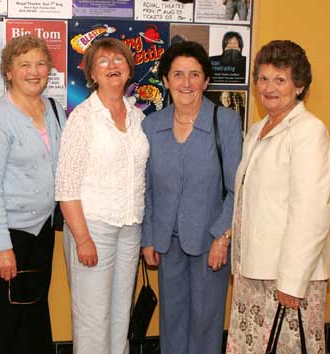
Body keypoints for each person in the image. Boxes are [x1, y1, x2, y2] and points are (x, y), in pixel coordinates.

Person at [226, 40, 330, 354]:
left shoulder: (309, 132)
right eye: (263, 78)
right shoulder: (258, 130)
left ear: (299, 86)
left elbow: (311, 211)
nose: (269, 87)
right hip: (254, 271)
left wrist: (292, 281)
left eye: (280, 79)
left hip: (286, 278)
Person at [141, 41, 242, 354]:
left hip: (209, 243)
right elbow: (144, 189)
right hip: (167, 244)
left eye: (194, 74)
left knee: (205, 321)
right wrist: (148, 239)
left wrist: (221, 238)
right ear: (167, 80)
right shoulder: (151, 125)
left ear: (206, 80)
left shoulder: (224, 122)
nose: (186, 83)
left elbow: (236, 188)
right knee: (171, 320)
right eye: (178, 74)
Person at [55, 37, 149, 354]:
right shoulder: (83, 118)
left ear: (129, 68)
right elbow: (65, 186)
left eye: (118, 59)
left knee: (120, 317)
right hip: (92, 228)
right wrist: (82, 238)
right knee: (93, 321)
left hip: (130, 227)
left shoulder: (138, 118)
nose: (112, 66)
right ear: (92, 73)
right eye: (103, 61)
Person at [0, 34, 65, 354]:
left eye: (41, 64)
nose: (34, 71)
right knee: (10, 319)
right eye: (24, 64)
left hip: (41, 231)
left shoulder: (55, 110)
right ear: (8, 72)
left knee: (36, 313)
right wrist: (1, 247)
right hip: (10, 234)